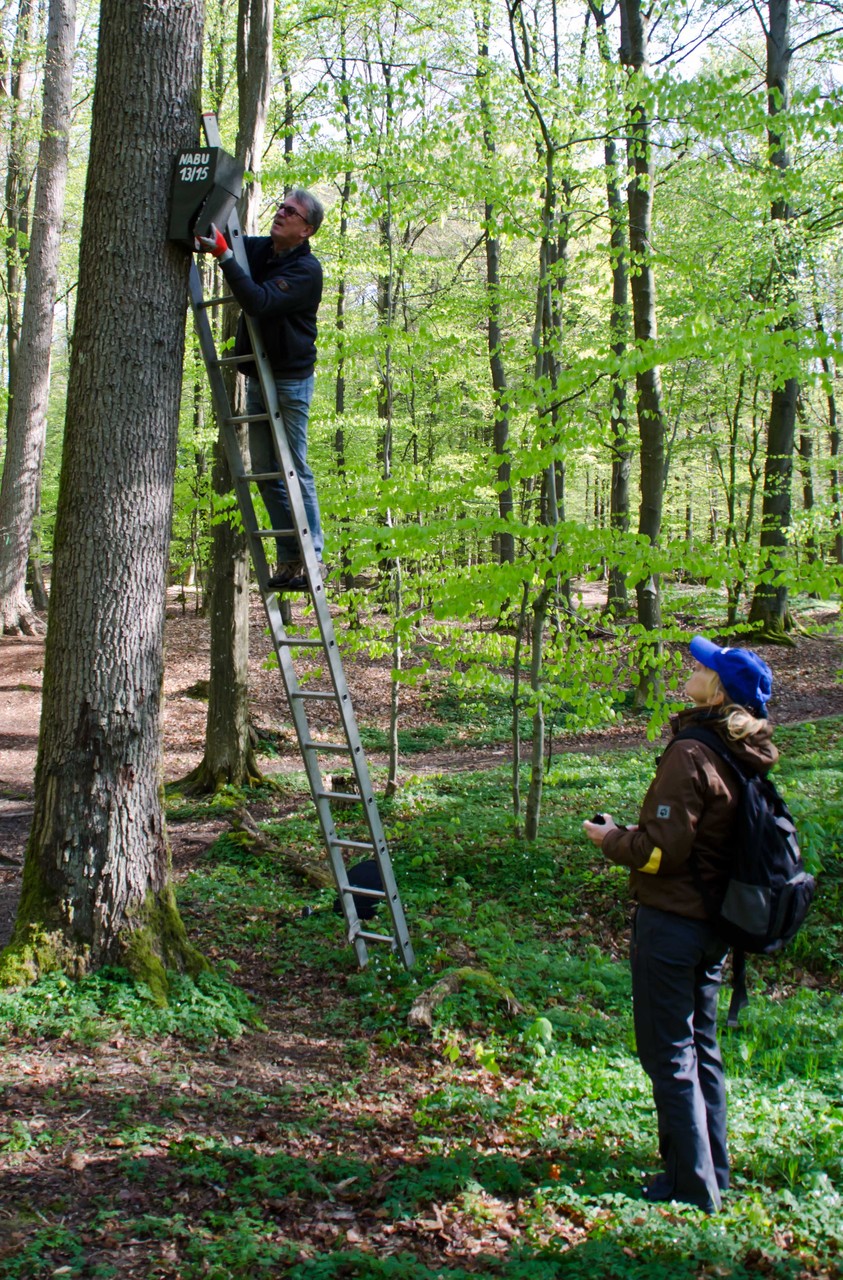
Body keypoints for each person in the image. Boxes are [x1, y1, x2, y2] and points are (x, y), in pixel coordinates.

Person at [583, 637, 776, 1212]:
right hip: (715, 924)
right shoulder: (739, 751)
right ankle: (711, 1169)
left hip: (673, 923)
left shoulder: (692, 752)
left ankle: (691, 1187)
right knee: (702, 1047)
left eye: (706, 668)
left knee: (669, 1051)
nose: (694, 669)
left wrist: (609, 837)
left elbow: (662, 853)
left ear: (717, 692)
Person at [195, 189, 325, 591]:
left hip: (289, 380)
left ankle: (314, 558)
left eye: (291, 212)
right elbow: (218, 235)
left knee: (294, 468)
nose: (281, 213)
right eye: (281, 207)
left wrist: (225, 257)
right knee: (268, 473)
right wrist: (204, 235)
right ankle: (290, 559)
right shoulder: (263, 250)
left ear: (306, 229)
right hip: (258, 376)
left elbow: (258, 301)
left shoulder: (307, 271)